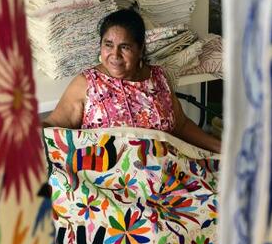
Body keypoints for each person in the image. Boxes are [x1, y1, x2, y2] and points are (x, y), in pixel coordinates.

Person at [43, 8, 221, 153]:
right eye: (108, 45)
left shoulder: (158, 79)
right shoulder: (88, 84)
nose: (115, 55)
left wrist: (221, 148)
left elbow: (180, 125)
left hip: (165, 179)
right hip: (106, 186)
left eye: (125, 47)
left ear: (140, 49)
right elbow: (53, 125)